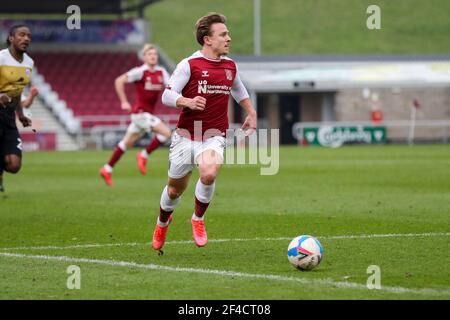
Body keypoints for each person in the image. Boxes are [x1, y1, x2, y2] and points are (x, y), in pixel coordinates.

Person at [151, 13, 257, 250]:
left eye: (228, 34)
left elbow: (239, 90)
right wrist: (186, 102)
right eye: (223, 35)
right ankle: (162, 222)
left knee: (209, 174)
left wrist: (250, 112)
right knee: (174, 190)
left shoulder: (230, 66)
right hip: (186, 137)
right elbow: (167, 95)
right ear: (207, 40)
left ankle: (197, 219)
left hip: (213, 135)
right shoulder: (189, 64)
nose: (229, 38)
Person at [99, 44, 172, 187]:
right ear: (144, 57)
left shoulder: (161, 72)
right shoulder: (140, 72)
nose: (153, 56)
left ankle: (107, 169)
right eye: (150, 54)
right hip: (139, 114)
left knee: (125, 143)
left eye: (155, 54)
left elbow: (171, 86)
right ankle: (143, 155)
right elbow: (119, 81)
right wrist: (124, 102)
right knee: (166, 133)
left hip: (146, 115)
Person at [0, 25, 34, 193]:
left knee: (14, 165)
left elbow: (17, 91)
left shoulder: (29, 62)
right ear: (11, 39)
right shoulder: (1, 58)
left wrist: (20, 114)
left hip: (9, 115)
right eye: (21, 35)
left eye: (28, 36)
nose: (26, 38)